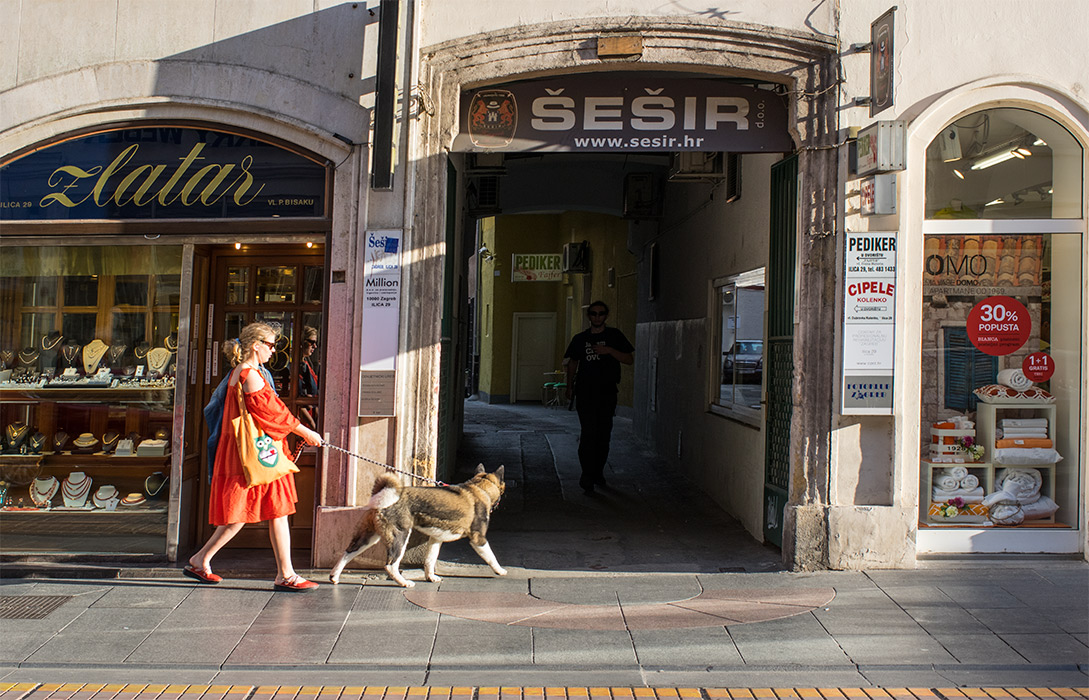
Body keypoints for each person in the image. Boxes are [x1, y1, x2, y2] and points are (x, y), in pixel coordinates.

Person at [186, 322, 323, 591]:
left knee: (268, 511)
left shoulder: (245, 371)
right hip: (255, 456)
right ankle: (203, 560)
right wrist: (306, 432)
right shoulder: (250, 373)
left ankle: (282, 573)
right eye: (271, 345)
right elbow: (272, 412)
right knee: (252, 513)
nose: (274, 351)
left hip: (252, 454)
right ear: (255, 345)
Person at [563, 301, 634, 494]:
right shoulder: (580, 339)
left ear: (606, 315)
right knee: (588, 433)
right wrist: (569, 387)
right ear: (589, 316)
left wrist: (609, 350)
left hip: (607, 393)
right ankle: (587, 474)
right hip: (585, 393)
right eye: (593, 314)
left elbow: (629, 359)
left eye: (601, 314)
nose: (597, 317)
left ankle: (597, 472)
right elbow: (572, 363)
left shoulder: (614, 336)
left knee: (603, 435)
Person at [297, 325, 320, 429]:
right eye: (312, 342)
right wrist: (313, 426)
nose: (314, 346)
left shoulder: (305, 363)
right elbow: (298, 402)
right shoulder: (297, 367)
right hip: (302, 421)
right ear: (302, 342)